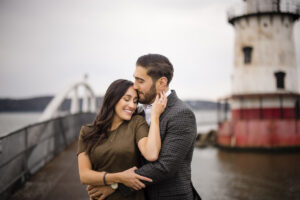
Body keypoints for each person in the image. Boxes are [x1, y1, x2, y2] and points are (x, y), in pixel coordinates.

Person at [87, 54, 201, 200]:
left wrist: (115, 186)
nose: (134, 85)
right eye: (134, 78)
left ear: (162, 83)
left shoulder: (181, 114)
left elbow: (165, 167)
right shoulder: (137, 111)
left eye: (140, 80)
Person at [77, 79, 167, 200]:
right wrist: (119, 177)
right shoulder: (87, 131)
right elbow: (84, 176)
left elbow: (151, 154)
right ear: (112, 99)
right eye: (127, 99)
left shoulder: (136, 123)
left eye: (135, 101)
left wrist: (155, 116)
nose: (132, 106)